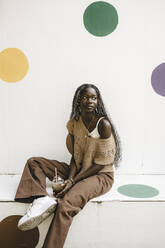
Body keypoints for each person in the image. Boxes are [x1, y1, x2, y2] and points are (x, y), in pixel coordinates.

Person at [14, 83, 121, 248]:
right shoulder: (74, 123)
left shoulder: (103, 125)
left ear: (98, 101)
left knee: (66, 205)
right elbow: (75, 157)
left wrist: (72, 182)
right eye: (85, 97)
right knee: (34, 163)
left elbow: (102, 164)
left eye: (94, 97)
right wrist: (71, 177)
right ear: (78, 101)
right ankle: (42, 199)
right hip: (78, 170)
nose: (90, 101)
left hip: (100, 175)